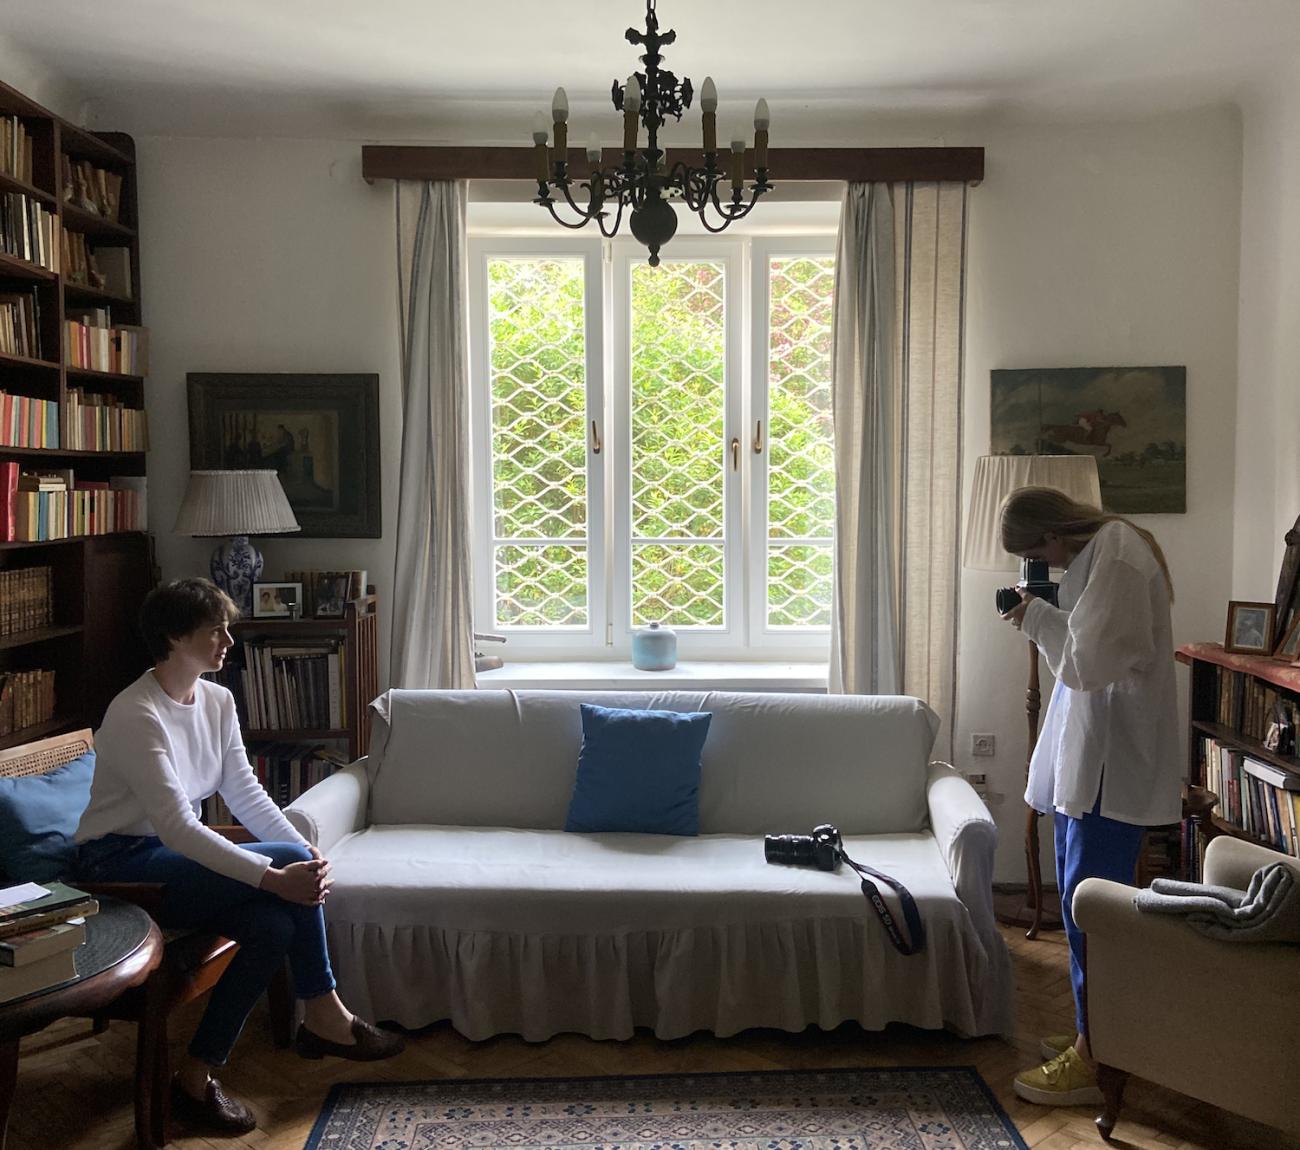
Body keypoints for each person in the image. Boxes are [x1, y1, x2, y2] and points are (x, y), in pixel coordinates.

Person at [74, 577, 403, 1135]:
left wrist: (300, 852)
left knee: (273, 925)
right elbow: (178, 828)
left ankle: (195, 1078)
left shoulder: (217, 700)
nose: (229, 638)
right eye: (215, 629)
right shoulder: (135, 713)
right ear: (175, 638)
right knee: (282, 882)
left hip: (173, 862)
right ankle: (325, 1012)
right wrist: (274, 873)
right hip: (118, 865)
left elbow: (244, 791)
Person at [997, 487, 1179, 1108]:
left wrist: (1035, 618)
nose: (1043, 567)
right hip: (1089, 764)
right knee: (1081, 910)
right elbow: (1083, 654)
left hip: (1111, 770)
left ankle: (1097, 1058)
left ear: (1051, 535)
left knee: (1089, 916)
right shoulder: (1103, 554)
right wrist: (1047, 617)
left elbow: (1086, 664)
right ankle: (1091, 1033)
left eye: (1034, 554)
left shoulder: (1120, 558)